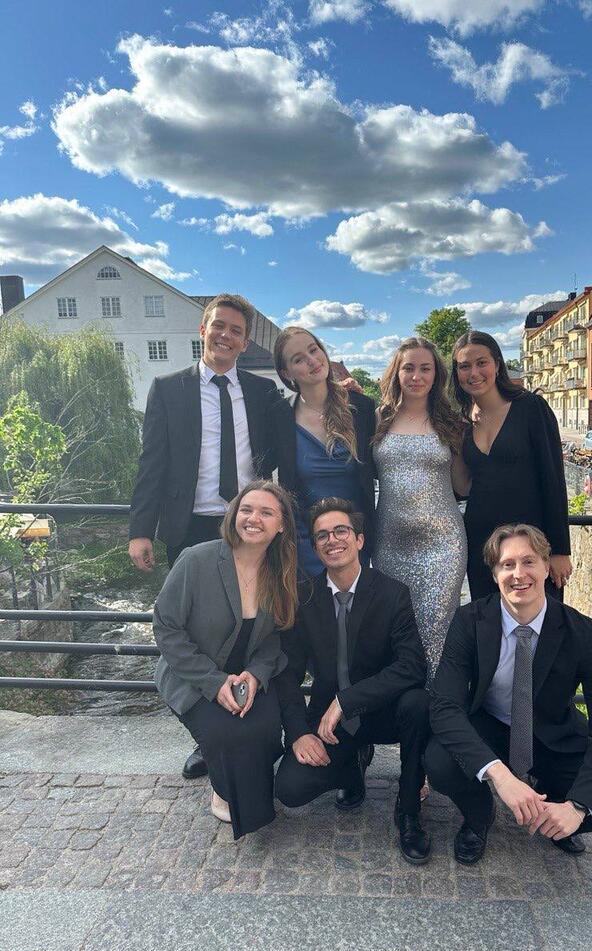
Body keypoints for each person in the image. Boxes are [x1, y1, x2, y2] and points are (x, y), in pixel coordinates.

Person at [425, 522, 592, 865]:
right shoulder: (470, 621)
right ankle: (479, 813)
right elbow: (444, 706)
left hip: (553, 735)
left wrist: (578, 807)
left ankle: (559, 819)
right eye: (507, 564)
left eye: (529, 562)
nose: (519, 574)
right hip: (492, 727)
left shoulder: (581, 632)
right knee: (439, 762)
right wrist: (500, 778)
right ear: (493, 574)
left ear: (547, 567)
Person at [129, 293, 279, 781]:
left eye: (237, 330)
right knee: (193, 634)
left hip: (248, 524)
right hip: (191, 523)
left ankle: (233, 717)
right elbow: (151, 463)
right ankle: (205, 736)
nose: (226, 336)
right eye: (219, 326)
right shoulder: (168, 389)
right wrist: (140, 530)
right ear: (203, 328)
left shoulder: (260, 392)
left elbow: (300, 422)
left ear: (245, 340)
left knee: (244, 625)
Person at [274, 497, 432, 865]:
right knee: (291, 789)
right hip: (332, 724)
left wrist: (349, 700)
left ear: (360, 540)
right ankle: (352, 767)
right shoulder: (305, 598)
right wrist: (298, 732)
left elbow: (413, 666)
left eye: (341, 531)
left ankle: (408, 809)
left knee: (418, 703)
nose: (333, 540)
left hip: (382, 711)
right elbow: (288, 674)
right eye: (322, 536)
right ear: (315, 548)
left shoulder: (393, 593)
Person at [153, 481, 298, 840]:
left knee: (264, 728)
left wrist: (255, 674)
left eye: (266, 512)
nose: (253, 518)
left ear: (281, 525)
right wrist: (215, 682)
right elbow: (166, 627)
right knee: (224, 732)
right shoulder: (196, 559)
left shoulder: (280, 572)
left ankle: (243, 785)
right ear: (234, 515)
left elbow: (275, 638)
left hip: (248, 675)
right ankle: (224, 785)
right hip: (192, 675)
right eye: (247, 509)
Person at [451, 330, 571, 600]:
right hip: (482, 543)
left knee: (539, 627)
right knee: (489, 626)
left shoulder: (530, 408)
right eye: (464, 366)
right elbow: (464, 487)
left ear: (497, 363)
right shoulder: (462, 421)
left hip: (531, 542)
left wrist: (560, 550)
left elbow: (553, 478)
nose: (474, 373)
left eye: (482, 362)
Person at [372, 337, 467, 677]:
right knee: (394, 629)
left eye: (425, 368)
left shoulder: (451, 422)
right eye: (408, 368)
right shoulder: (377, 418)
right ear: (396, 373)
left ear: (436, 375)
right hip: (389, 545)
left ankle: (438, 712)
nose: (416, 376)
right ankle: (401, 712)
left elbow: (462, 486)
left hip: (443, 545)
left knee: (438, 628)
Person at [272, 326, 376, 576]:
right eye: (299, 359)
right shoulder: (279, 416)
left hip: (354, 539)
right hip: (305, 542)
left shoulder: (360, 408)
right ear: (287, 373)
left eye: (313, 350)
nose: (312, 360)